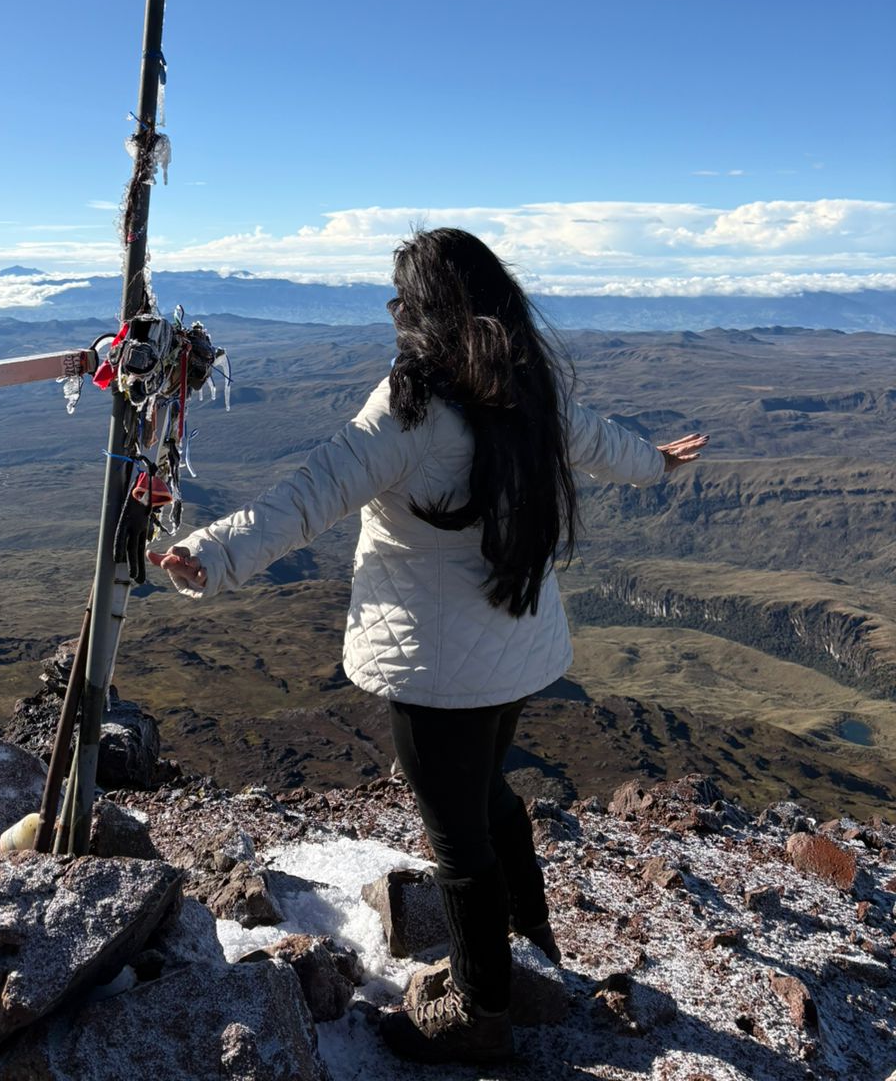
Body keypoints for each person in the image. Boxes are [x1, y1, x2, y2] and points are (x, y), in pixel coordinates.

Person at [147, 227, 707, 1065]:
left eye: (399, 298)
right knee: (488, 796)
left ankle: (481, 1013)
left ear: (422, 310)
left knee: (458, 839)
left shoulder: (409, 407)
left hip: (436, 670)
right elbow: (590, 437)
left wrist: (213, 552)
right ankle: (530, 947)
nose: (394, 311)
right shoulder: (525, 386)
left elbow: (314, 491)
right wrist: (655, 463)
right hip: (514, 647)